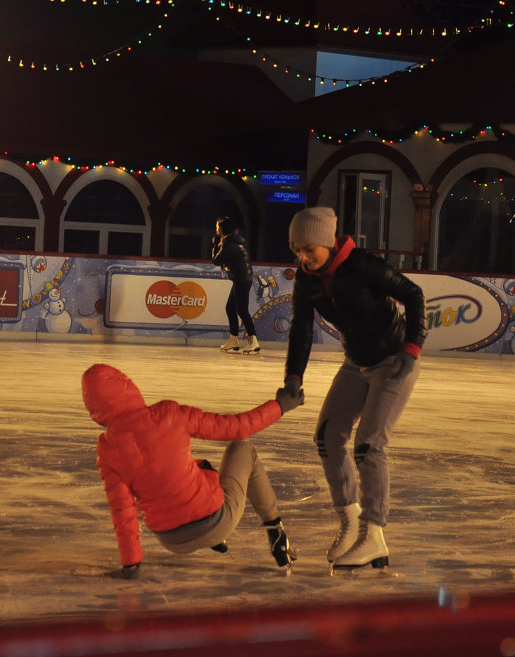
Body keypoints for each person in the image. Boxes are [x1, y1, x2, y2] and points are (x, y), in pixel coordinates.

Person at [282, 207, 425, 571]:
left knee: (369, 444)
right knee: (327, 438)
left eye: (308, 248)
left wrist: (412, 346)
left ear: (328, 241)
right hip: (355, 363)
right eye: (297, 249)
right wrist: (293, 379)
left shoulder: (363, 265)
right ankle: (350, 522)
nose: (303, 257)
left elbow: (413, 294)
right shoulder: (308, 279)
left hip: (393, 360)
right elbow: (300, 328)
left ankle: (374, 535)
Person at [81, 363, 305, 579]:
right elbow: (236, 428)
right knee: (243, 449)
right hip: (217, 521)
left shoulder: (108, 449)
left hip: (171, 541)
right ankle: (275, 529)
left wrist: (131, 563)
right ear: (128, 386)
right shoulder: (167, 414)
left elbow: (122, 510)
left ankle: (214, 539)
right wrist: (279, 406)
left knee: (197, 467)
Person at [211, 216, 260, 354]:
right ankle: (233, 340)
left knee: (242, 310)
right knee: (230, 308)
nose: (216, 230)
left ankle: (254, 342)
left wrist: (215, 244)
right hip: (242, 279)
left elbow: (216, 260)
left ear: (222, 229)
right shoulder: (235, 241)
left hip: (241, 280)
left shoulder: (228, 244)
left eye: (217, 227)